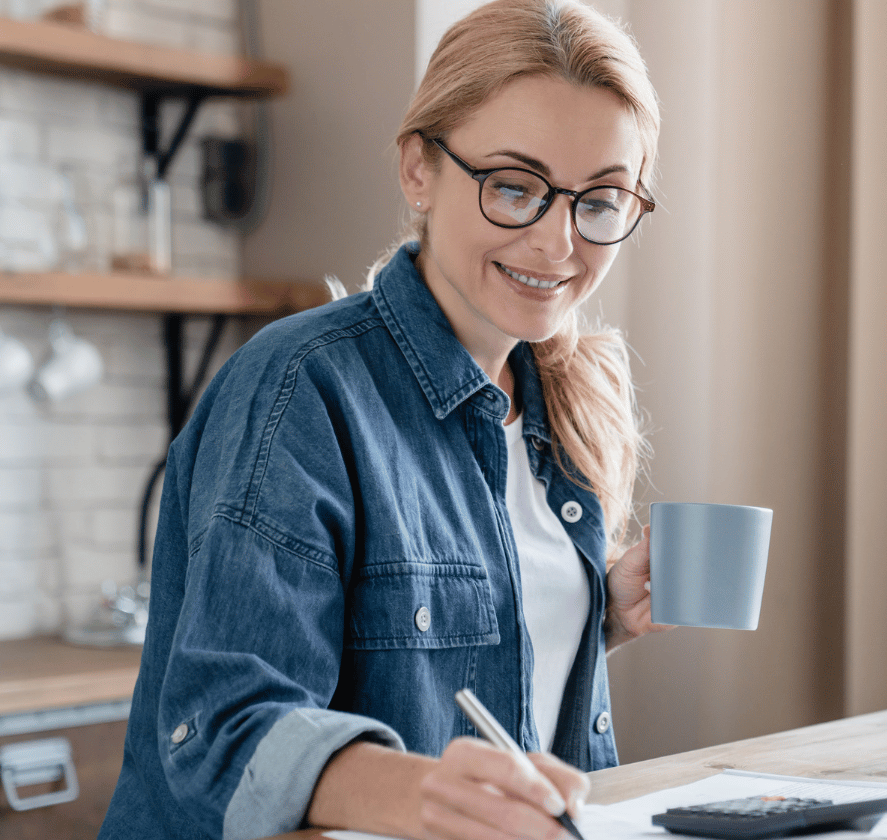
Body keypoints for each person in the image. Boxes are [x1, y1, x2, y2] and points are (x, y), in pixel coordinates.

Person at [98, 1, 668, 837]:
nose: (558, 242)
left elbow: (457, 653)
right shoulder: (300, 389)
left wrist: (596, 606)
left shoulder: (560, 401)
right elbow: (222, 727)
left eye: (601, 200)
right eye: (514, 187)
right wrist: (421, 794)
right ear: (418, 170)